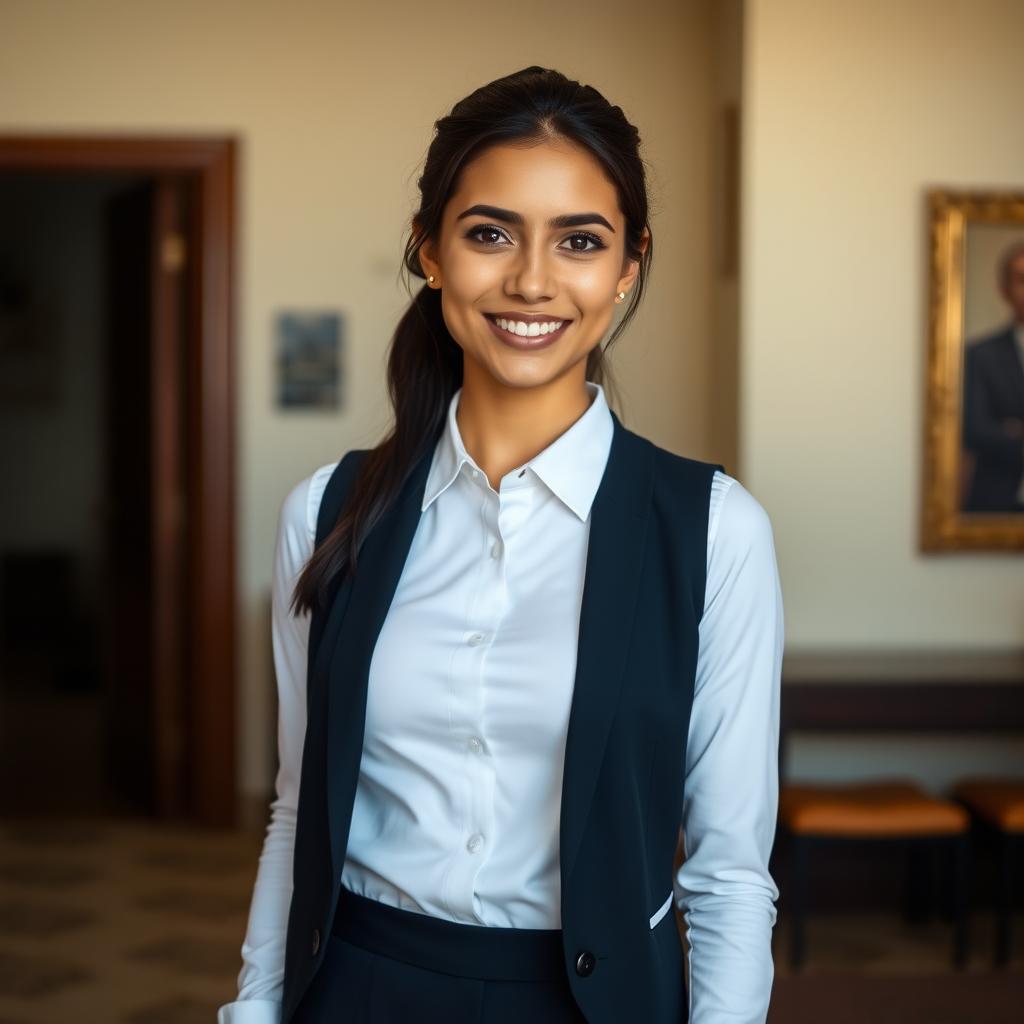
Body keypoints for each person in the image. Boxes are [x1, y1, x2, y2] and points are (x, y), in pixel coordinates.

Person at [217, 65, 784, 1024]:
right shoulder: (326, 513)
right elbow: (296, 812)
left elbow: (728, 869)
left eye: (580, 241)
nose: (531, 280)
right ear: (430, 252)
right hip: (357, 990)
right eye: (489, 233)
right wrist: (255, 1008)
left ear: (629, 266)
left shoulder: (714, 530)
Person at [961, 239, 1024, 513]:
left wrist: (1013, 428)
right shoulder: (980, 354)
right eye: (1022, 279)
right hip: (997, 502)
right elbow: (975, 429)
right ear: (1005, 290)